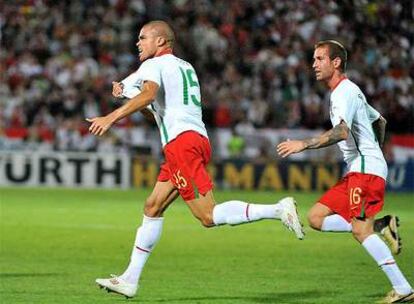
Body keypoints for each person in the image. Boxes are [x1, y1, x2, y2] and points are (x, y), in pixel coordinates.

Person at [87, 20, 305, 299]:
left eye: (143, 38)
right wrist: (128, 98)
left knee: (207, 215)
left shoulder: (153, 65)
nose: (137, 43)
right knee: (153, 206)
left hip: (182, 145)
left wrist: (111, 117)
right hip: (192, 140)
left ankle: (277, 209)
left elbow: (149, 95)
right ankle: (130, 279)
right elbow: (156, 110)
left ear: (161, 42)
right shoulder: (185, 67)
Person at [277, 40, 413, 303]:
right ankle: (382, 224)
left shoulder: (344, 92)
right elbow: (380, 121)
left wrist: (303, 144)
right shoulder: (350, 91)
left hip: (364, 170)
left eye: (319, 59)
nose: (313, 64)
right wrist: (374, 151)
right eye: (314, 59)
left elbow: (341, 132)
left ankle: (403, 288)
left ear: (335, 62)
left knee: (360, 231)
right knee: (316, 217)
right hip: (360, 169)